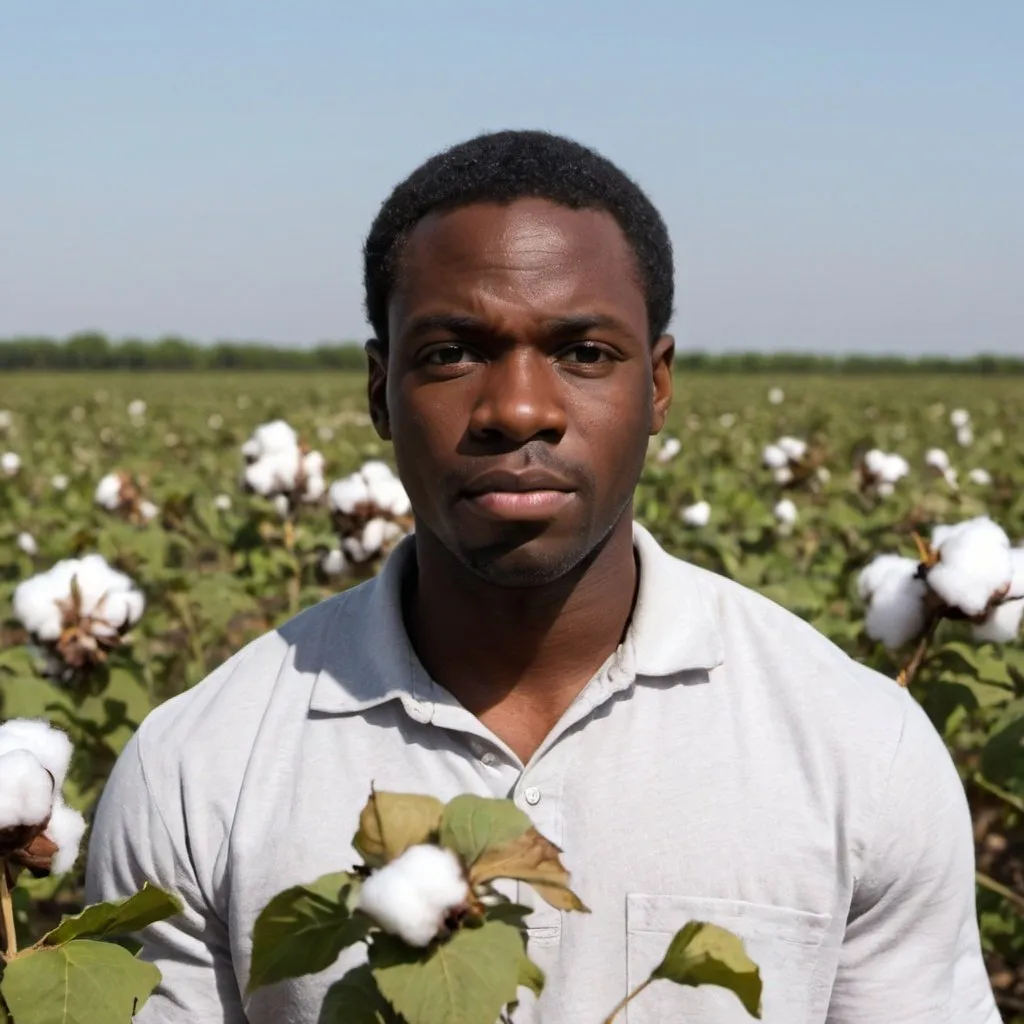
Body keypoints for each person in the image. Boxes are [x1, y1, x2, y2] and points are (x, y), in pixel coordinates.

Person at [86, 129, 999, 1023]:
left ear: (659, 387)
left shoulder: (860, 756)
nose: (518, 408)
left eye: (584, 353)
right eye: (452, 353)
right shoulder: (196, 770)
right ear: (379, 392)